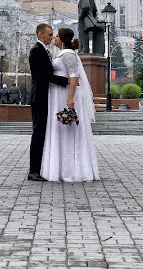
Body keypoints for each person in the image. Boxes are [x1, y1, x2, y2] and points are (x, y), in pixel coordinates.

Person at [41, 28, 99, 182]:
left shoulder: (68, 55)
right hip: (57, 94)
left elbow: (74, 76)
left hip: (65, 94)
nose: (54, 38)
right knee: (61, 129)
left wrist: (70, 98)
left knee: (69, 131)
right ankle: (60, 168)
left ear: (63, 39)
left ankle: (73, 170)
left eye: (57, 36)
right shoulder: (60, 54)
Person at [27, 23, 70, 181]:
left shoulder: (43, 51)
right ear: (40, 35)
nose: (52, 37)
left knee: (42, 133)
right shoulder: (36, 51)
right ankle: (33, 171)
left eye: (53, 35)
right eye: (49, 34)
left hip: (44, 97)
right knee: (38, 134)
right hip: (39, 97)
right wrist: (67, 81)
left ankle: (37, 169)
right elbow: (46, 76)